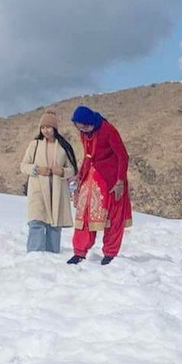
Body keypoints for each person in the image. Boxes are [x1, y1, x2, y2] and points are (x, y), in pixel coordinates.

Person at [68, 105, 131, 265]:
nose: (83, 130)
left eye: (85, 126)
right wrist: (80, 175)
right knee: (85, 212)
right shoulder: (84, 133)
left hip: (110, 178)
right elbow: (88, 156)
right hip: (90, 176)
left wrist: (119, 181)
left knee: (112, 217)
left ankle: (110, 252)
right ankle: (80, 251)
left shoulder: (108, 130)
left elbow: (122, 156)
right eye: (79, 127)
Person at [20, 111, 76, 253]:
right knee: (36, 221)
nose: (45, 130)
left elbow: (72, 169)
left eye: (48, 127)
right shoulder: (35, 145)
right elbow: (24, 166)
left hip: (56, 190)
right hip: (38, 188)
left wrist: (62, 171)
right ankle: (34, 255)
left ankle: (52, 255)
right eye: (43, 127)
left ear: (55, 128)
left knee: (54, 224)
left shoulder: (63, 147)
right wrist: (37, 170)